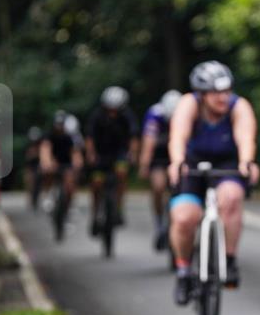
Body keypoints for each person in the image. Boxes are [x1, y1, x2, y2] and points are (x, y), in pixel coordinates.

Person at [168, 62, 259, 303]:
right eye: (216, 92)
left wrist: (247, 162)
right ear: (202, 93)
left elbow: (245, 137)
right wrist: (177, 161)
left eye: (227, 91)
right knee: (184, 218)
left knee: (231, 198)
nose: (223, 97)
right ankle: (183, 270)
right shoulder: (189, 104)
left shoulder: (239, 107)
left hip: (226, 165)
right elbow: (178, 136)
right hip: (192, 163)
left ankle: (229, 261)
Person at [85, 86, 139, 235]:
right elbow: (89, 137)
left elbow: (134, 137)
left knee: (121, 173)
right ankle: (95, 214)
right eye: (110, 109)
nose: (113, 113)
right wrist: (91, 154)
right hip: (100, 154)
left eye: (116, 109)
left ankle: (119, 208)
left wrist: (133, 154)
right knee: (96, 184)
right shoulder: (97, 115)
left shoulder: (127, 115)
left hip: (119, 153)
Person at [139, 90, 183, 250]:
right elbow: (148, 142)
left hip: (178, 155)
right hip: (159, 156)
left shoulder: (186, 112)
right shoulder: (155, 114)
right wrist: (144, 165)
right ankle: (159, 221)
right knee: (158, 187)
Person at [39, 110, 84, 217]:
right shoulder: (48, 135)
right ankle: (48, 194)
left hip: (66, 162)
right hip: (53, 161)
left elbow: (75, 152)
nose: (59, 127)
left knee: (70, 181)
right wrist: (47, 162)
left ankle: (69, 204)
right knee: (47, 172)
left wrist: (77, 164)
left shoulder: (70, 136)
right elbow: (45, 149)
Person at [24, 126, 43, 211]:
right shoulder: (29, 146)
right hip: (31, 168)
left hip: (40, 168)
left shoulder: (42, 146)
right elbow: (27, 161)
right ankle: (30, 199)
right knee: (30, 181)